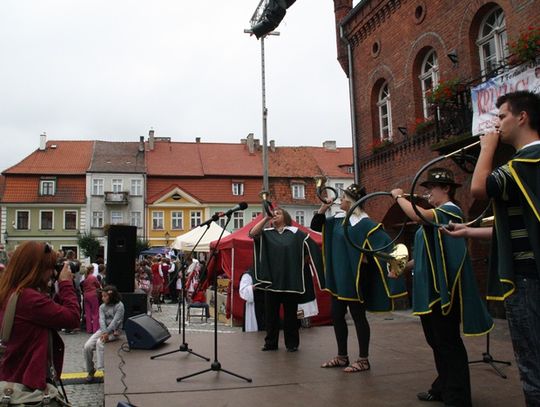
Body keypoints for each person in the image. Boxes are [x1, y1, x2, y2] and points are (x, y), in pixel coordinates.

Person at [391, 168, 493, 407]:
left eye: (431, 189)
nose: (427, 194)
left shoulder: (450, 210)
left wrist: (398, 197)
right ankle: (443, 387)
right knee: (436, 341)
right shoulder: (434, 215)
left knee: (448, 342)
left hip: (444, 289)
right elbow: (425, 254)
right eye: (425, 190)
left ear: (446, 189)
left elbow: (418, 216)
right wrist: (402, 267)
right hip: (430, 291)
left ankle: (457, 396)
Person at [467, 90, 540, 406]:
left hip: (527, 278)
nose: (497, 124)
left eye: (502, 116)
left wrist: (487, 149)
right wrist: (468, 230)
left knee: (533, 366)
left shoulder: (524, 163)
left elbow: (479, 188)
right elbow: (517, 223)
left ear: (522, 117)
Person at [311, 184, 407, 372]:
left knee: (357, 316)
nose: (341, 200)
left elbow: (385, 246)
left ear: (352, 201)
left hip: (355, 277)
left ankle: (363, 359)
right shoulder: (339, 221)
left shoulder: (366, 224)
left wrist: (390, 264)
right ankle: (342, 356)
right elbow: (316, 225)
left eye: (344, 197)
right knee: (337, 315)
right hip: (339, 276)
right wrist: (324, 206)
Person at [0, 241, 80, 393]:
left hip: (12, 376)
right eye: (49, 267)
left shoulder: (11, 291)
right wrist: (65, 283)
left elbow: (50, 314)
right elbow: (72, 318)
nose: (51, 272)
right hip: (27, 386)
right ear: (37, 268)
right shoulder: (29, 298)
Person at [249, 207, 322, 352]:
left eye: (278, 213)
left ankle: (292, 344)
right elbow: (252, 233)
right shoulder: (267, 234)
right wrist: (266, 218)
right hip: (272, 282)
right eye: (273, 213)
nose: (275, 215)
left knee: (291, 316)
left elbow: (311, 247)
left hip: (291, 280)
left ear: (286, 217)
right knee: (271, 316)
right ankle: (271, 343)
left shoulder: (296, 234)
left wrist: (304, 260)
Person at [83, 285, 125, 382]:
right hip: (103, 330)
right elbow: (101, 320)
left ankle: (103, 370)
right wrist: (104, 332)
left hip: (115, 331)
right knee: (87, 346)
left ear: (111, 296)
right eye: (102, 296)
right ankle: (90, 370)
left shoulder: (119, 306)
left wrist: (107, 332)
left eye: (105, 296)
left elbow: (116, 321)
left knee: (99, 343)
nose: (103, 298)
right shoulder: (102, 307)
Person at [239, 267, 266, 332]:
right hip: (254, 304)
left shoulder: (268, 272)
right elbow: (243, 291)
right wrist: (252, 288)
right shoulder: (249, 275)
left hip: (266, 303)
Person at [81, 264, 101, 333]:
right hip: (93, 295)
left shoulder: (85, 278)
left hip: (86, 296)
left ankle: (89, 329)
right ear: (92, 270)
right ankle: (95, 329)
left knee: (88, 313)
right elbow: (98, 285)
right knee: (95, 312)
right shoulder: (93, 277)